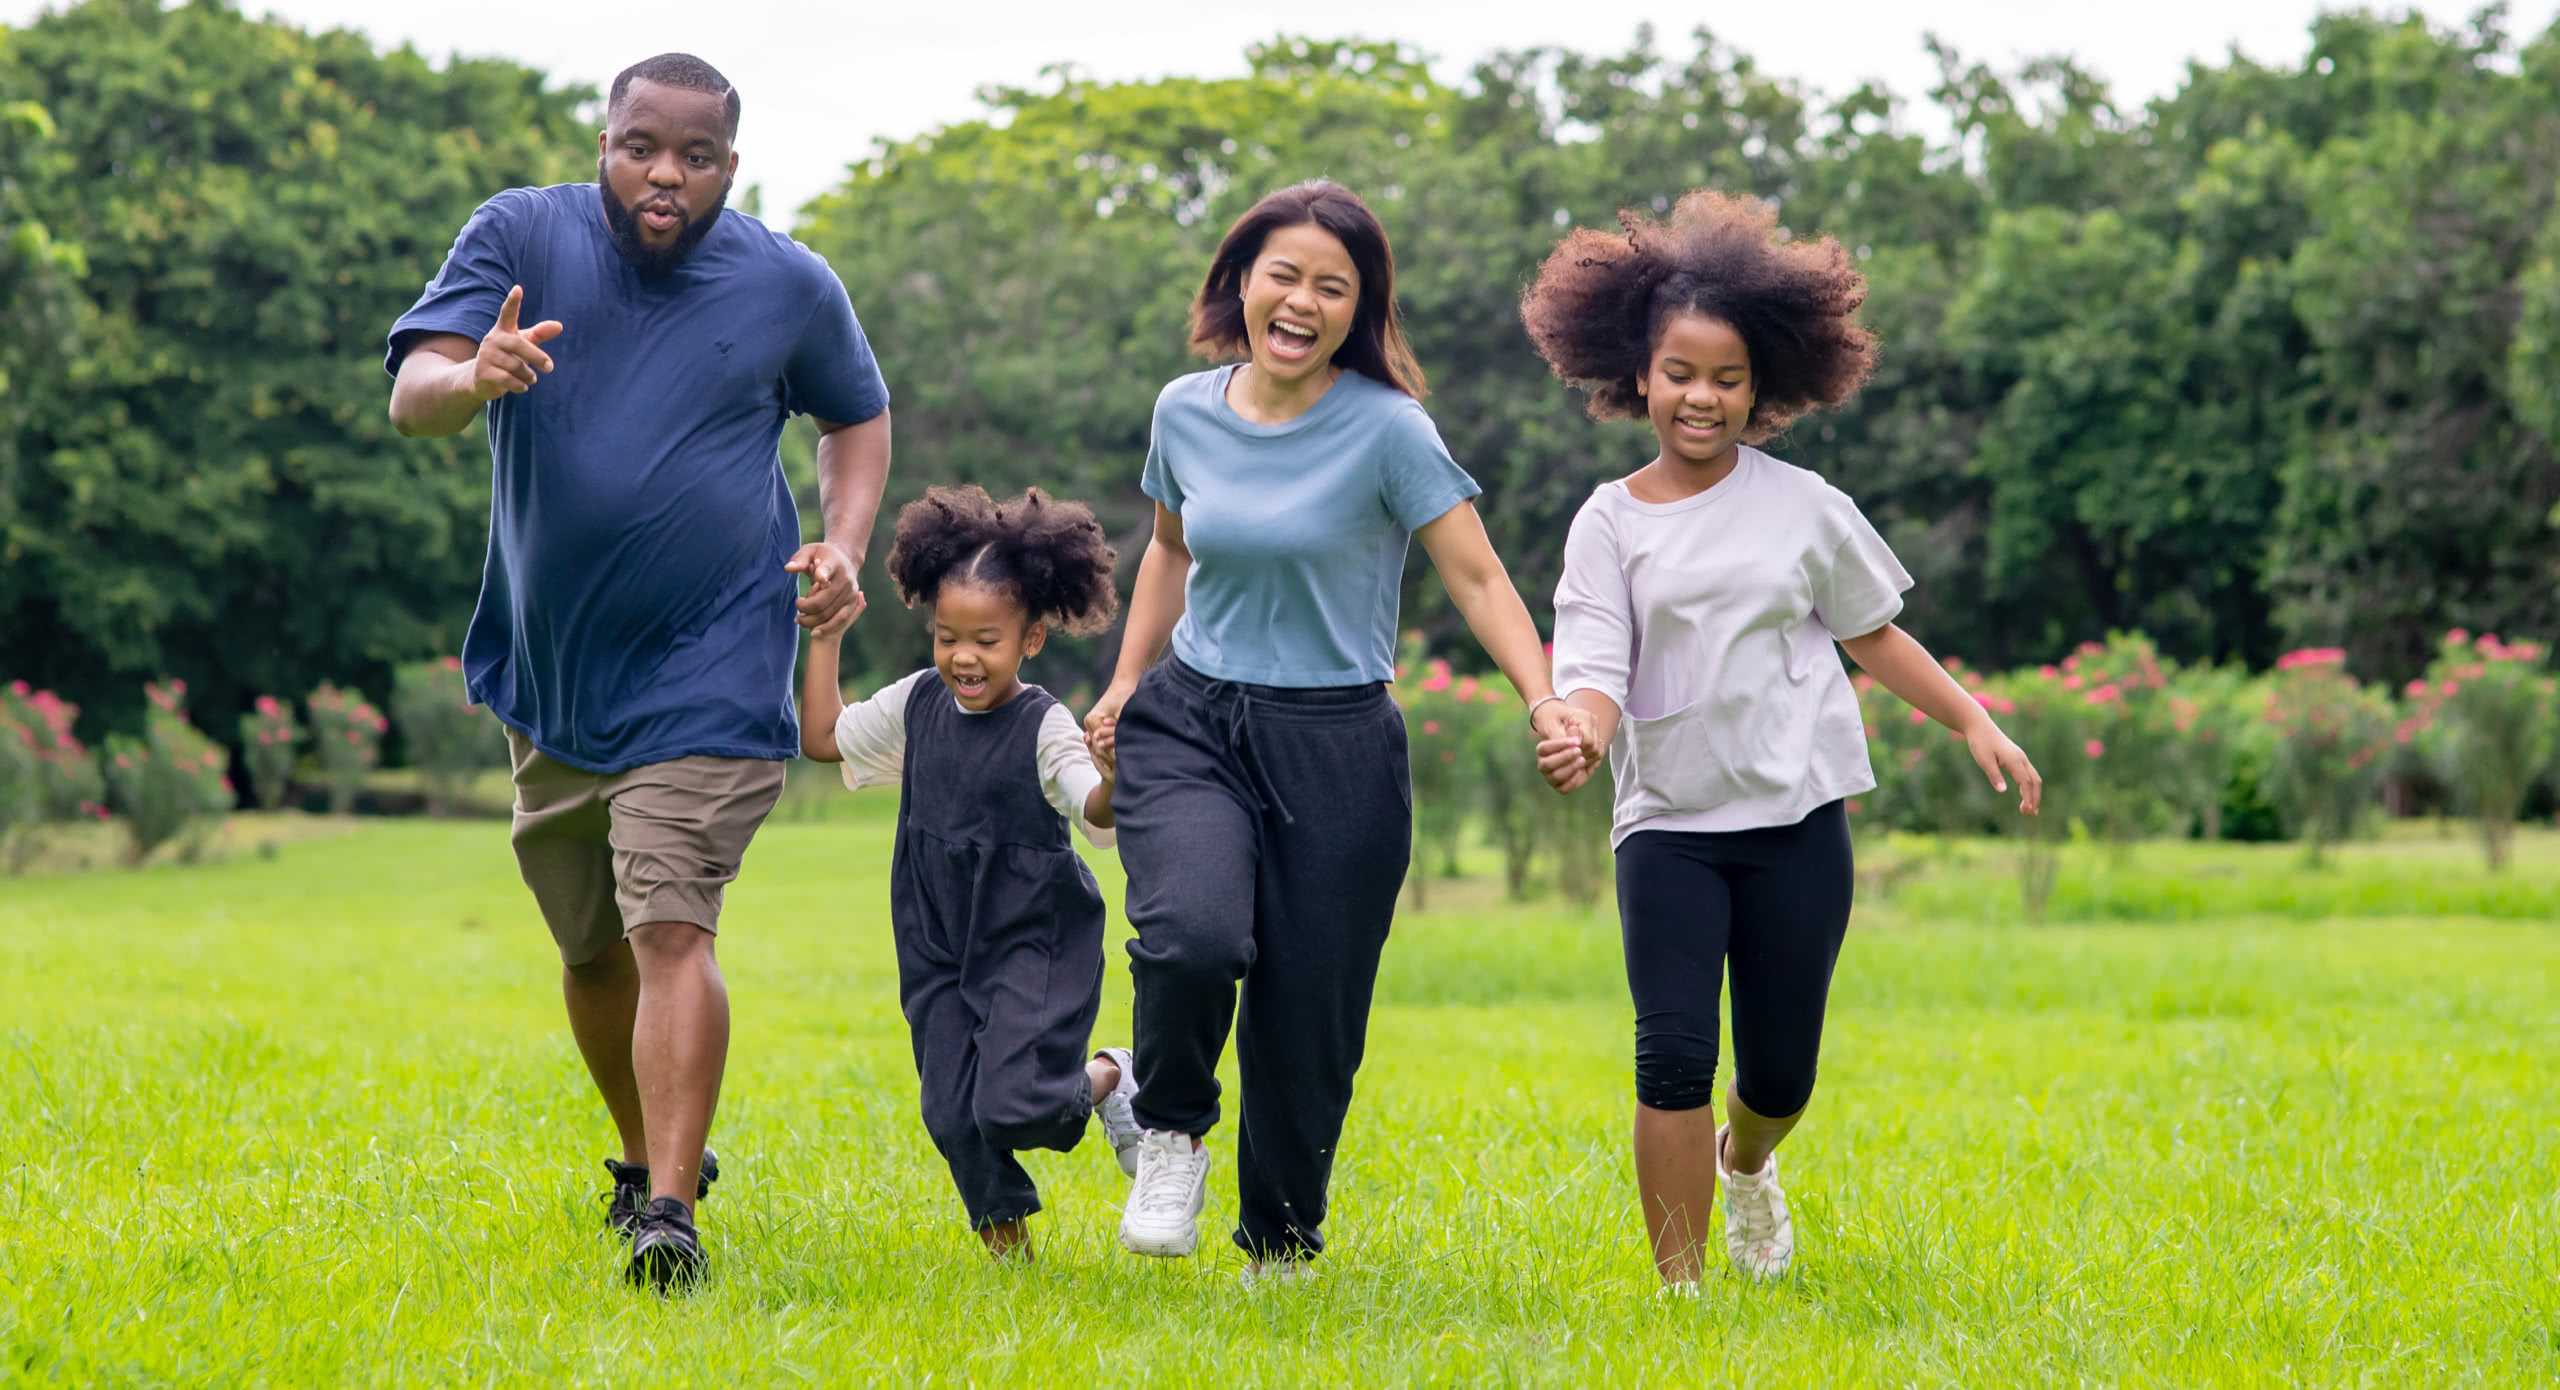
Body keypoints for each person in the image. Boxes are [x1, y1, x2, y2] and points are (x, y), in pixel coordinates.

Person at [383, 52, 893, 1291]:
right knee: (591, 947)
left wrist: (840, 541)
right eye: (640, 148)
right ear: (603, 141)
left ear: (732, 161)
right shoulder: (520, 235)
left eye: (697, 155)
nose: (666, 175)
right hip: (554, 665)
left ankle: (670, 1210)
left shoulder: (787, 282)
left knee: (670, 921)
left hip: (717, 652)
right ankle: (640, 1157)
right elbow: (413, 397)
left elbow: (856, 418)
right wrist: (473, 375)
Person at [1523, 189, 2042, 1291]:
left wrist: (1973, 720)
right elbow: (1597, 666)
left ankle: (1746, 1162)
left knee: (1779, 1072)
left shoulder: (1805, 506)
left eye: (1726, 377)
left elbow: (1875, 635)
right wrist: (1577, 728)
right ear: (1639, 375)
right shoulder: (1608, 520)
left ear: (1761, 388)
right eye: (1679, 373)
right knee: (1669, 1053)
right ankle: (1682, 1293)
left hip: (1796, 820)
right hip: (1666, 824)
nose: (1700, 397)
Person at [1083, 179, 1600, 1284]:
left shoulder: (1387, 428)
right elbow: (1169, 551)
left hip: (1336, 740)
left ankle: (1281, 1241)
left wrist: (1544, 696)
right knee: (1194, 937)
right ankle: (1167, 1131)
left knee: (1308, 1012)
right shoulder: (1185, 409)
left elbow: (1476, 574)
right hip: (1195, 718)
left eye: (1333, 286)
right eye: (1285, 275)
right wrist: (1127, 681)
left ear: (1357, 310)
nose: (1302, 301)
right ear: (1241, 281)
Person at [799, 485, 1142, 1262]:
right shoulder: (918, 703)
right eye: (947, 636)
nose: (962, 656)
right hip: (937, 939)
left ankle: (1114, 1077)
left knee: (1018, 1106)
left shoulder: (1043, 724)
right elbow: (822, 737)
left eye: (986, 639)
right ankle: (1010, 1262)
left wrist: (1115, 775)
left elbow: (1094, 808)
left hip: (1032, 936)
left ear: (1031, 640)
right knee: (952, 1111)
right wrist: (826, 638)